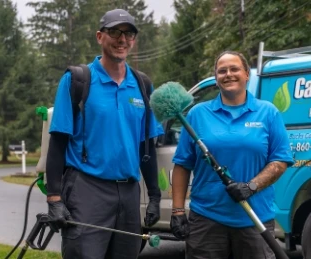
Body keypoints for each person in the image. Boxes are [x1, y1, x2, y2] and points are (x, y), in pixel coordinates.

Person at [44, 8, 164, 259]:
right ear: (100, 36)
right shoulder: (77, 80)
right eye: (115, 32)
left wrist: (154, 195)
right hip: (87, 189)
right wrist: (54, 198)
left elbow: (147, 147)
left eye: (129, 34)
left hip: (129, 192)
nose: (122, 39)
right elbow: (58, 142)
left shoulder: (142, 85)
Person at [169, 50, 294, 259]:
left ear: (247, 74)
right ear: (216, 79)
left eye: (234, 69)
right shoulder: (197, 114)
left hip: (255, 219)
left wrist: (250, 187)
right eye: (222, 71)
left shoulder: (268, 112)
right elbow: (182, 165)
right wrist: (177, 211)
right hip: (206, 220)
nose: (228, 74)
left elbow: (280, 161)